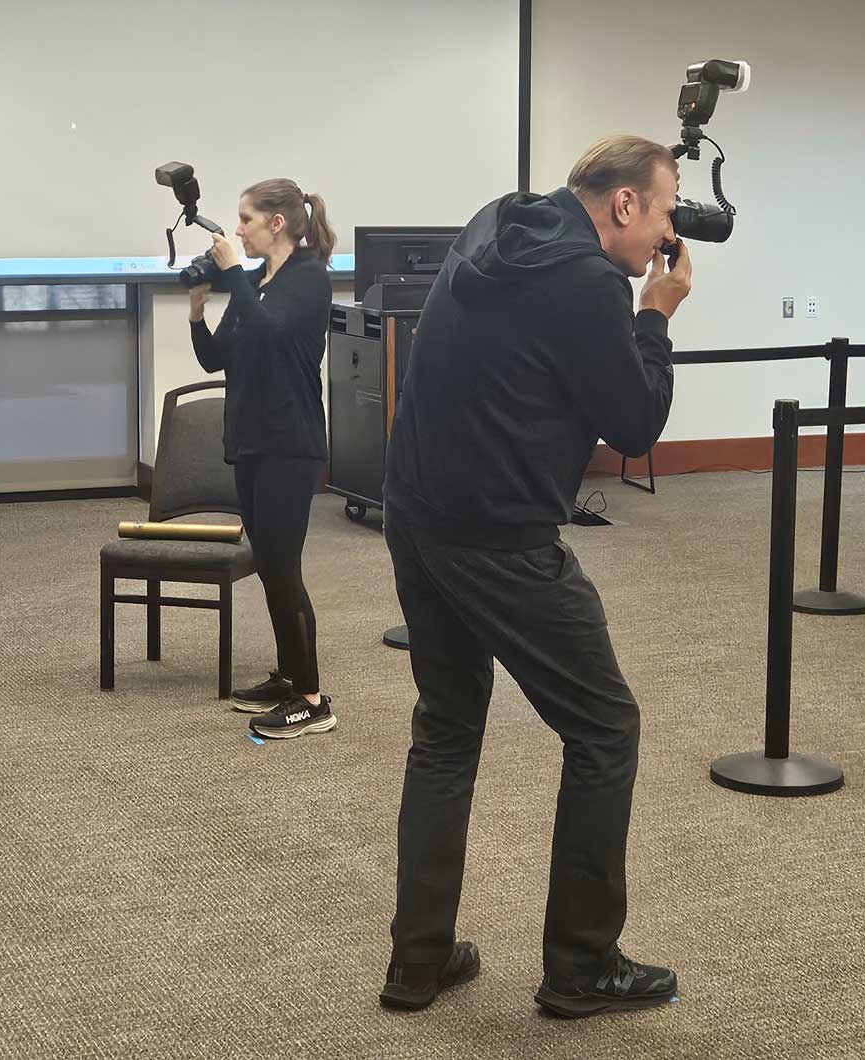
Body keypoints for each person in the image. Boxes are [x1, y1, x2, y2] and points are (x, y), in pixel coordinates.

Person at [376, 135, 690, 1018]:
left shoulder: (495, 223)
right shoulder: (590, 282)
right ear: (624, 205)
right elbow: (635, 424)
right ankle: (584, 966)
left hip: (416, 511)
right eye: (664, 212)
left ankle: (418, 960)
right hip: (501, 536)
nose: (665, 237)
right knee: (605, 730)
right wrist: (657, 313)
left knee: (445, 728)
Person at [188, 178, 335, 739]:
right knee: (271, 568)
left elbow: (274, 336)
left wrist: (232, 279)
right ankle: (288, 676)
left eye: (246, 219)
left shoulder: (309, 280)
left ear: (277, 223)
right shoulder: (258, 283)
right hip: (250, 442)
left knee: (281, 567)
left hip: (289, 445)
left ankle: (312, 698)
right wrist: (199, 309)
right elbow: (215, 359)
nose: (238, 230)